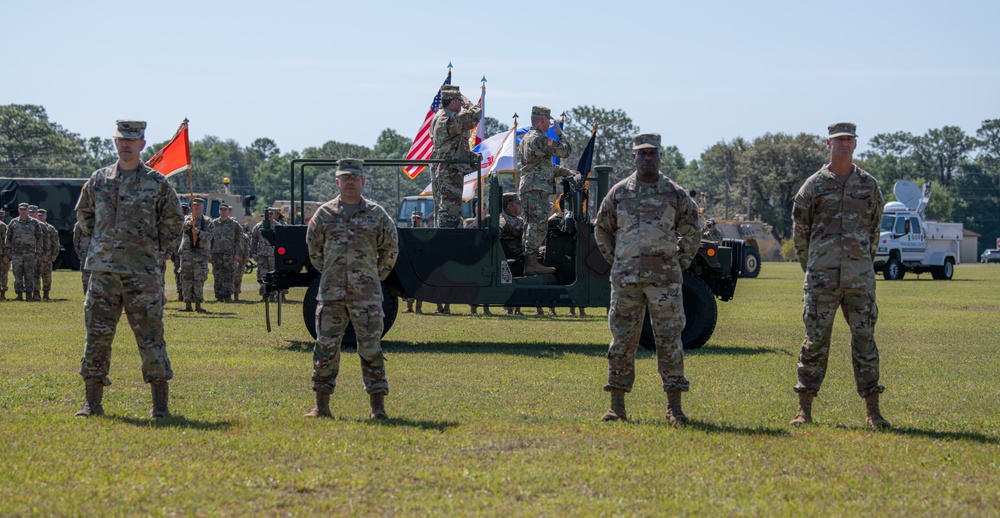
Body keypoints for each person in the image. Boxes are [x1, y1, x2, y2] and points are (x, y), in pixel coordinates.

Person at [74, 119, 184, 418]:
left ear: (142, 144)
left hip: (142, 274)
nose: (126, 144)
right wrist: (100, 239)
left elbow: (175, 220)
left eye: (131, 140)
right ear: (115, 142)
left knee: (151, 337)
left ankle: (159, 406)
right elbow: (83, 214)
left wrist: (153, 246)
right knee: (97, 337)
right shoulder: (99, 180)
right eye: (121, 139)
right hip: (103, 273)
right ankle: (92, 403)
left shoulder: (157, 183)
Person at [595, 133, 701, 424]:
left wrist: (678, 262)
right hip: (626, 282)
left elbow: (693, 229)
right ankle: (617, 406)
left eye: (652, 153)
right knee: (622, 342)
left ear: (659, 155)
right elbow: (602, 229)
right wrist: (617, 259)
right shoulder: (619, 193)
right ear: (634, 157)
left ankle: (674, 407)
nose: (647, 158)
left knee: (669, 342)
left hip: (664, 283)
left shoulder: (674, 193)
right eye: (641, 153)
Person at [790, 122, 889, 429]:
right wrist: (815, 267)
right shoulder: (814, 185)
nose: (844, 144)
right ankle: (804, 409)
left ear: (855, 144)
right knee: (815, 342)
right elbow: (800, 232)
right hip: (822, 279)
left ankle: (873, 411)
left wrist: (863, 263)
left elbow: (874, 230)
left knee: (865, 341)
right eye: (838, 140)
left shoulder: (868, 185)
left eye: (848, 139)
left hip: (859, 279)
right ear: (828, 144)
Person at [304, 159, 399, 420]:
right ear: (337, 182)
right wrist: (332, 273)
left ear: (362, 182)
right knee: (325, 347)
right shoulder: (324, 214)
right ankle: (321, 407)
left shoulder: (377, 214)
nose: (349, 182)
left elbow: (390, 248)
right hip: (331, 294)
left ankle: (377, 407)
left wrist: (373, 276)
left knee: (371, 348)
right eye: (344, 178)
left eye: (354, 178)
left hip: (366, 296)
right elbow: (314, 250)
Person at [518, 106, 579, 276]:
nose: (550, 126)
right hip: (536, 187)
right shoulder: (540, 138)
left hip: (531, 186)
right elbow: (565, 151)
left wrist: (566, 172)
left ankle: (530, 261)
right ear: (543, 120)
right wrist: (560, 134)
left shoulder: (527, 139)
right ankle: (531, 263)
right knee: (538, 224)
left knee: (531, 224)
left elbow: (543, 166)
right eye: (549, 122)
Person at [430, 84, 480, 228]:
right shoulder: (447, 118)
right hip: (449, 171)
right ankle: (446, 245)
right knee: (449, 213)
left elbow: (453, 146)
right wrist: (468, 103)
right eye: (459, 101)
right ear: (453, 102)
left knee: (447, 211)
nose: (461, 104)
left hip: (447, 169)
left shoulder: (440, 117)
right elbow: (476, 114)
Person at [178, 198, 214, 312]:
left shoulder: (207, 221)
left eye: (198, 206)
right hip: (187, 253)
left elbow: (210, 235)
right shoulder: (187, 219)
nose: (196, 208)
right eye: (194, 206)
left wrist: (199, 232)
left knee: (199, 279)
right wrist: (189, 224)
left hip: (201, 254)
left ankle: (198, 304)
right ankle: (187, 304)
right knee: (186, 278)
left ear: (202, 207)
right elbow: (180, 226)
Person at [5, 203, 43, 301]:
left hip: (30, 253)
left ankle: (29, 294)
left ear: (27, 210)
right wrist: (8, 252)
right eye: (21, 209)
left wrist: (38, 252)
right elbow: (8, 238)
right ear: (18, 210)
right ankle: (19, 294)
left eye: (24, 209)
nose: (23, 211)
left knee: (29, 274)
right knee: (17, 275)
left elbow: (39, 238)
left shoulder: (34, 223)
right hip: (16, 253)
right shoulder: (13, 222)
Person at [208, 204, 243, 303]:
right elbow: (209, 239)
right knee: (217, 275)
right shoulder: (213, 224)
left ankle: (227, 296)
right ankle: (219, 296)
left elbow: (238, 240)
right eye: (221, 209)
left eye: (225, 209)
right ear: (219, 211)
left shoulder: (234, 224)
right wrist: (209, 253)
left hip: (229, 254)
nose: (223, 211)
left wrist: (237, 253)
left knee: (229, 275)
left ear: (229, 212)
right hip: (216, 254)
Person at [250, 207, 282, 301]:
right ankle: (264, 295)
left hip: (273, 256)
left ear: (275, 215)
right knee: (262, 275)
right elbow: (254, 240)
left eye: (271, 213)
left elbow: (282, 241)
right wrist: (254, 253)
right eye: (268, 213)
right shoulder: (258, 226)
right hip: (261, 255)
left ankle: (272, 295)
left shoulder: (278, 226)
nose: (269, 215)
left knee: (273, 276)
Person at [35, 208, 59, 300]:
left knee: (47, 276)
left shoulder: (50, 228)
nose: (40, 217)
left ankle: (46, 294)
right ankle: (36, 294)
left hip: (47, 257)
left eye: (42, 215)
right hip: (37, 256)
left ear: (46, 216)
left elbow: (55, 243)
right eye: (39, 215)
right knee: (36, 275)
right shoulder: (34, 226)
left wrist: (54, 255)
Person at [401, 210, 423, 314]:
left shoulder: (424, 233)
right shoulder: (407, 232)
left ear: (421, 220)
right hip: (410, 263)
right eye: (414, 218)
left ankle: (419, 307)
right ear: (411, 219)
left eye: (418, 218)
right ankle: (409, 307)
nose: (416, 220)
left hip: (420, 263)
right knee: (409, 285)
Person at [73, 220, 91, 295]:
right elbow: (76, 239)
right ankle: (86, 295)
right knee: (85, 275)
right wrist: (78, 252)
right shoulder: (80, 223)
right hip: (85, 252)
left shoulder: (101, 220)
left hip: (99, 252)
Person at [0, 208, 9, 300]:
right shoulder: (4, 226)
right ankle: (2, 295)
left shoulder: (3, 226)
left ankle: (2, 294)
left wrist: (5, 255)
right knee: (4, 274)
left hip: (2, 255)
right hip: (3, 254)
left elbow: (6, 242)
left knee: (3, 274)